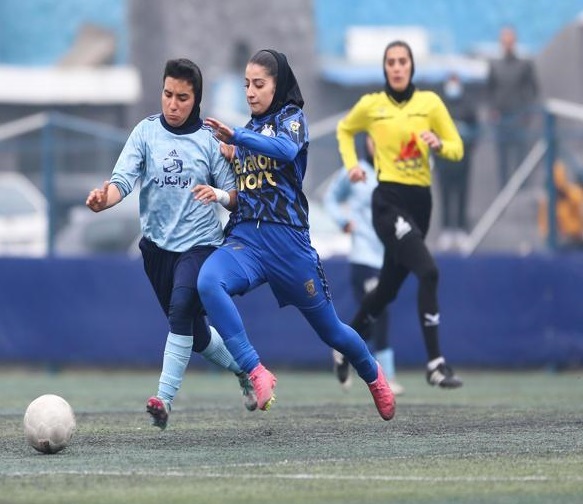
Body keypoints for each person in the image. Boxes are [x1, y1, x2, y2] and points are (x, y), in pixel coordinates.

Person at [198, 49, 396, 421]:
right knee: (208, 282)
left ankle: (373, 375)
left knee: (332, 332)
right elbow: (247, 189)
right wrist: (225, 161)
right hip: (247, 240)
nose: (250, 92)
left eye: (259, 84)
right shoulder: (247, 131)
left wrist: (238, 137)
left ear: (277, 85)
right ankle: (255, 370)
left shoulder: (291, 118)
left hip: (289, 246)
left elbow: (286, 150)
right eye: (247, 84)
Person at [85, 58, 257, 430]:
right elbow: (121, 182)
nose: (173, 104)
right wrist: (103, 200)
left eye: (182, 98)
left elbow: (235, 196)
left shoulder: (210, 139)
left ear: (196, 100)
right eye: (168, 94)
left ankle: (162, 400)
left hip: (200, 247)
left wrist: (219, 195)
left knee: (181, 310)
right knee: (197, 336)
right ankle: (247, 370)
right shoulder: (145, 132)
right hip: (157, 249)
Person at [336, 40, 464, 389]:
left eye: (402, 61)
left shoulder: (430, 104)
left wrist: (440, 144)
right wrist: (351, 165)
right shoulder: (372, 105)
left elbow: (457, 148)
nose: (396, 67)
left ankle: (344, 347)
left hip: (421, 203)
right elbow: (345, 129)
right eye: (390, 62)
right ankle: (435, 364)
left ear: (411, 66)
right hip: (388, 202)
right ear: (384, 68)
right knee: (429, 272)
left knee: (385, 292)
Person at [323, 134, 404, 395]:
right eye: (372, 136)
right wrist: (342, 221)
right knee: (380, 312)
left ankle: (343, 350)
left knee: (369, 317)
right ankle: (387, 376)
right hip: (363, 256)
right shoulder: (355, 170)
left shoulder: (396, 171)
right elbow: (330, 197)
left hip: (387, 258)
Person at [487, 25, 538, 189]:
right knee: (502, 158)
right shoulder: (495, 65)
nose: (508, 44)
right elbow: (490, 90)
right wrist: (493, 110)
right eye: (505, 40)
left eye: (510, 40)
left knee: (520, 157)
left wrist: (527, 111)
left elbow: (533, 89)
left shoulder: (524, 65)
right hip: (501, 118)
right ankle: (504, 189)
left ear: (514, 42)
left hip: (519, 117)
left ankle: (522, 189)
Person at [434, 72, 479, 251]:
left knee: (462, 192)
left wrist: (468, 144)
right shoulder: (439, 107)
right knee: (444, 193)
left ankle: (461, 229)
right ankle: (446, 229)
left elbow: (475, 129)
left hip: (462, 157)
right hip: (443, 159)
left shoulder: (467, 106)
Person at [538, 160, 583, 249]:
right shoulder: (547, 202)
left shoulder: (575, 194)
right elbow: (544, 229)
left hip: (577, 240)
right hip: (559, 243)